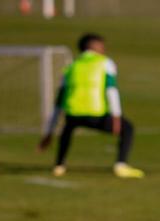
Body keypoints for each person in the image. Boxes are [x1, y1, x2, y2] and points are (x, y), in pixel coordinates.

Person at [38, 33, 143, 179]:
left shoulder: (71, 66)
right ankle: (121, 165)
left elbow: (59, 101)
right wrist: (116, 117)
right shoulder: (105, 63)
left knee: (67, 129)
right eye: (101, 45)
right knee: (128, 128)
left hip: (73, 113)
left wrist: (49, 132)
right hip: (96, 113)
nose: (104, 48)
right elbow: (111, 90)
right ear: (93, 46)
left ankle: (59, 165)